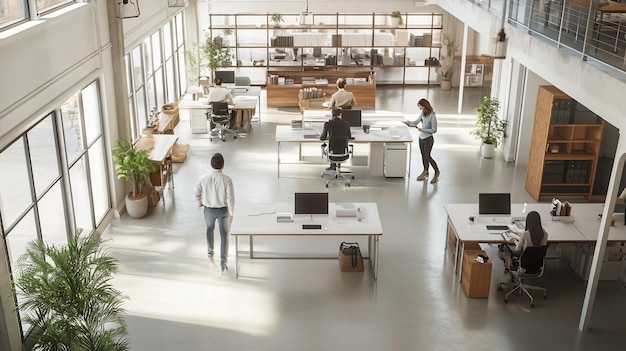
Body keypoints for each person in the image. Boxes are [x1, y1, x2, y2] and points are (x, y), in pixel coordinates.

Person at [194, 153, 235, 274]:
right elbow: (230, 198)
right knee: (224, 236)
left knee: (209, 230)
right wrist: (232, 213)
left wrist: (199, 202)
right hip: (223, 211)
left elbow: (196, 192)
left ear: (211, 165)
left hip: (208, 210)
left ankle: (210, 254)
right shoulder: (227, 180)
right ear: (223, 166)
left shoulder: (203, 178)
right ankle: (223, 265)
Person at [403, 98, 440, 184]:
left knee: (428, 156)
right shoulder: (423, 113)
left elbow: (434, 130)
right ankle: (425, 171)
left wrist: (423, 130)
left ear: (424, 105)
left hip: (428, 139)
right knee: (423, 156)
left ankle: (437, 172)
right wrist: (409, 123)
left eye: (420, 106)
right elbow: (416, 122)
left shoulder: (432, 115)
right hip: (421, 138)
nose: (419, 108)